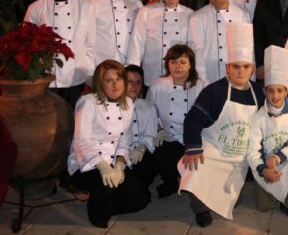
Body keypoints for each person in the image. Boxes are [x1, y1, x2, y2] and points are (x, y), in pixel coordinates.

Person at [178, 23, 264, 227]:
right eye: (235, 66)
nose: (241, 71)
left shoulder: (259, 93)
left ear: (252, 68)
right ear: (227, 68)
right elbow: (193, 120)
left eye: (245, 66)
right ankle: (199, 208)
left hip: (238, 156)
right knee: (192, 169)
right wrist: (192, 147)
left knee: (236, 200)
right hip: (213, 150)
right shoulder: (214, 91)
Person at [67, 60, 150, 228]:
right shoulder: (88, 102)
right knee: (105, 189)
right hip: (87, 163)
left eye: (119, 79)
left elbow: (124, 139)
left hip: (113, 161)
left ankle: (106, 203)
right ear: (100, 83)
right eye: (109, 80)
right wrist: (103, 167)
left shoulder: (127, 103)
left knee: (142, 200)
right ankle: (98, 213)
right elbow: (82, 142)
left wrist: (119, 165)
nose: (115, 84)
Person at [24, 0, 96, 110]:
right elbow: (27, 42)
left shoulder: (85, 6)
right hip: (48, 77)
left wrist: (88, 72)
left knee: (74, 120)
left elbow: (91, 44)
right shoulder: (36, 8)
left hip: (76, 75)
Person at [247, 45, 288, 217]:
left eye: (280, 91)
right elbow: (252, 151)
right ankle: (271, 188)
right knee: (264, 207)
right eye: (271, 91)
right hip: (265, 164)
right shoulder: (259, 117)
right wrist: (264, 169)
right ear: (264, 91)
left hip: (286, 161)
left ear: (286, 91)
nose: (275, 96)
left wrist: (278, 157)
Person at [127, 0, 193, 87]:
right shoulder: (146, 11)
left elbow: (193, 48)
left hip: (180, 79)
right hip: (151, 76)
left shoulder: (190, 15)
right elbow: (137, 44)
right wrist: (133, 74)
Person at [147, 44, 206, 198]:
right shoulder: (157, 86)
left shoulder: (201, 87)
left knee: (196, 168)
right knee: (163, 156)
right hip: (169, 136)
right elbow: (149, 113)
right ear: (168, 65)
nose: (177, 66)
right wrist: (158, 129)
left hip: (194, 139)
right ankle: (171, 181)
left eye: (183, 62)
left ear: (191, 65)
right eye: (173, 62)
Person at [188, 0, 250, 84]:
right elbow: (196, 52)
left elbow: (247, 50)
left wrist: (248, 80)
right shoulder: (197, 17)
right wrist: (202, 82)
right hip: (207, 81)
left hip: (237, 81)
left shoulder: (242, 15)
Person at [125, 64, 158, 189]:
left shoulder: (148, 107)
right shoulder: (113, 106)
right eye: (129, 82)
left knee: (150, 165)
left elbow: (150, 134)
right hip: (119, 156)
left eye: (138, 82)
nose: (134, 86)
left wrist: (142, 148)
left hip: (138, 151)